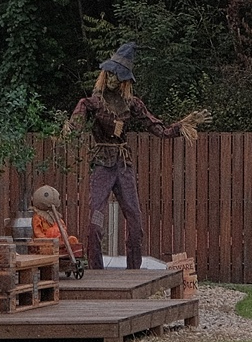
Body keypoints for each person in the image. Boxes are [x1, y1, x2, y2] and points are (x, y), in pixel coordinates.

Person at [63, 42, 208, 270]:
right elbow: (76, 125)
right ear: (105, 74)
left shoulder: (132, 103)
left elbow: (158, 129)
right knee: (95, 221)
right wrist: (71, 127)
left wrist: (183, 125)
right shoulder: (93, 103)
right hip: (102, 164)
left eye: (117, 75)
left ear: (124, 80)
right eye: (110, 74)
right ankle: (96, 271)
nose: (113, 79)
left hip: (123, 165)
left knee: (135, 222)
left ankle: (134, 272)